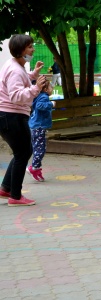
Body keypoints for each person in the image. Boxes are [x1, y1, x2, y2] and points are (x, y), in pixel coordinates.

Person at [0, 34, 46, 206]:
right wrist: (36, 89)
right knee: (23, 153)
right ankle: (16, 196)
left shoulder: (15, 65)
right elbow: (16, 96)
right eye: (29, 47)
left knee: (22, 152)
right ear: (21, 51)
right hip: (11, 116)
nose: (33, 49)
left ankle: (5, 188)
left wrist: (34, 74)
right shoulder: (15, 70)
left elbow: (22, 78)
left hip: (10, 116)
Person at [27, 80, 56, 182]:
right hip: (38, 127)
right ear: (45, 89)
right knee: (40, 149)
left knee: (39, 147)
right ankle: (33, 168)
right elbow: (40, 106)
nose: (52, 89)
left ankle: (37, 168)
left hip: (36, 126)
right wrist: (51, 104)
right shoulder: (44, 96)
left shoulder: (39, 96)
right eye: (51, 88)